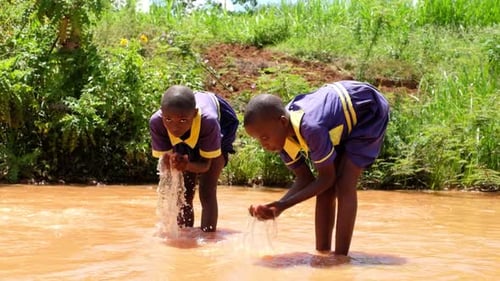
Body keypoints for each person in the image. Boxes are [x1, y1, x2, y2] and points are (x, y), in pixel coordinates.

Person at [244, 80, 389, 255]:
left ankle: (340, 258)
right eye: (259, 139)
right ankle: (323, 253)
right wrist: (275, 206)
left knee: (344, 183)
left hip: (367, 109)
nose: (263, 144)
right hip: (337, 121)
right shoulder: (282, 138)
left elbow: (327, 178)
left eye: (265, 137)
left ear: (283, 122)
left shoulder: (311, 128)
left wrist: (282, 205)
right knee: (325, 191)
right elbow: (305, 179)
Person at [149, 85, 239, 232]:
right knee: (184, 192)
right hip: (194, 126)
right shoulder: (157, 122)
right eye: (168, 119)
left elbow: (205, 166)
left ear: (195, 113)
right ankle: (184, 234)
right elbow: (165, 164)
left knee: (207, 189)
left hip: (221, 125)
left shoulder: (209, 122)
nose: (174, 127)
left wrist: (187, 165)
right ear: (162, 114)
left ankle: (208, 238)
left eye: (182, 120)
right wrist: (171, 163)